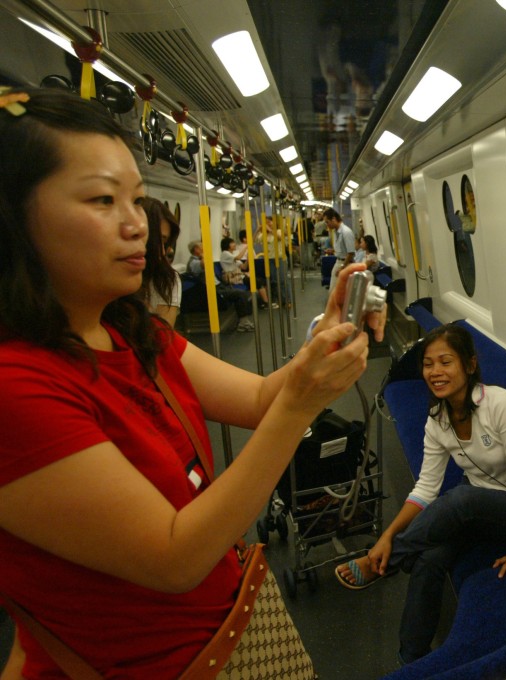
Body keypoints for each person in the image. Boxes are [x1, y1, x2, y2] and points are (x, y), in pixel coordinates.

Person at [0, 87, 386, 678]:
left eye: (137, 200)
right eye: (103, 200)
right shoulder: (16, 388)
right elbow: (175, 557)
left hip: (225, 629)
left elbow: (260, 399)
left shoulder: (135, 332)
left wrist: (320, 344)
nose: (138, 227)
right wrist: (302, 402)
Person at [335, 323, 506, 664]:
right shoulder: (437, 419)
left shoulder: (502, 405)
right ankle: (412, 660)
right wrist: (387, 535)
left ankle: (382, 564)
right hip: (474, 509)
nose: (435, 372)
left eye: (446, 362)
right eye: (428, 364)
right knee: (430, 560)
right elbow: (426, 489)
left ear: (469, 365)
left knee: (461, 498)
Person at [185, 240, 256, 332]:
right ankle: (243, 323)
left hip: (219, 286)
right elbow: (204, 265)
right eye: (202, 246)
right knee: (240, 294)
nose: (204, 248)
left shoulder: (199, 259)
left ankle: (244, 321)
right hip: (213, 289)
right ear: (196, 249)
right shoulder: (193, 262)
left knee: (240, 293)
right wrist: (202, 254)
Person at [139, 197, 182, 327]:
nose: (162, 252)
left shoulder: (166, 280)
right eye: (156, 241)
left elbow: (162, 336)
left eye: (164, 242)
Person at [325, 208, 356, 291]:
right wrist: (333, 251)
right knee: (334, 290)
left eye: (327, 222)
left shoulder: (346, 232)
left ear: (334, 219)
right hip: (339, 262)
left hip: (345, 263)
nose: (327, 225)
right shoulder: (336, 232)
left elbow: (351, 252)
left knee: (338, 291)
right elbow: (343, 249)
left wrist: (342, 267)